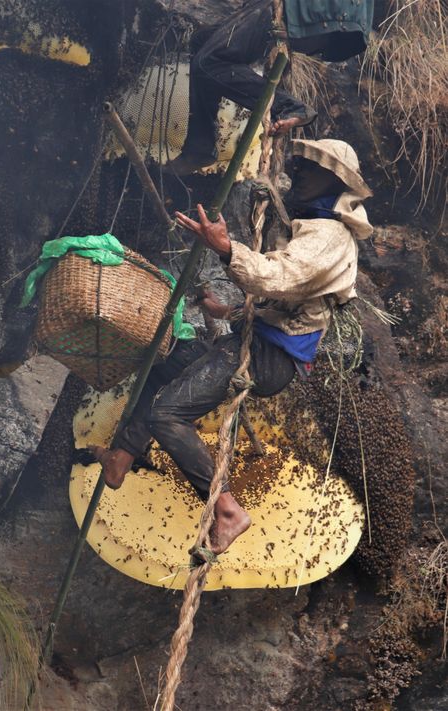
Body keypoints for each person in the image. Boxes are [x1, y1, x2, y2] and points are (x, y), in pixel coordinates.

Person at [92, 139, 373, 556]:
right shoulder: (312, 226)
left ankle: (226, 508)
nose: (297, 174)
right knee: (167, 361)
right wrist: (226, 310)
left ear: (333, 183)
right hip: (255, 341)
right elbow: (288, 302)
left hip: (270, 357)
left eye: (309, 171)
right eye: (298, 166)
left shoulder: (330, 236)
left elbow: (278, 277)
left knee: (166, 412)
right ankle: (123, 456)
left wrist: (225, 248)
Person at [165, 0, 375, 175]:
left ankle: (291, 106)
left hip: (309, 9)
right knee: (202, 41)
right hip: (327, 15)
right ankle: (199, 144)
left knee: (209, 63)